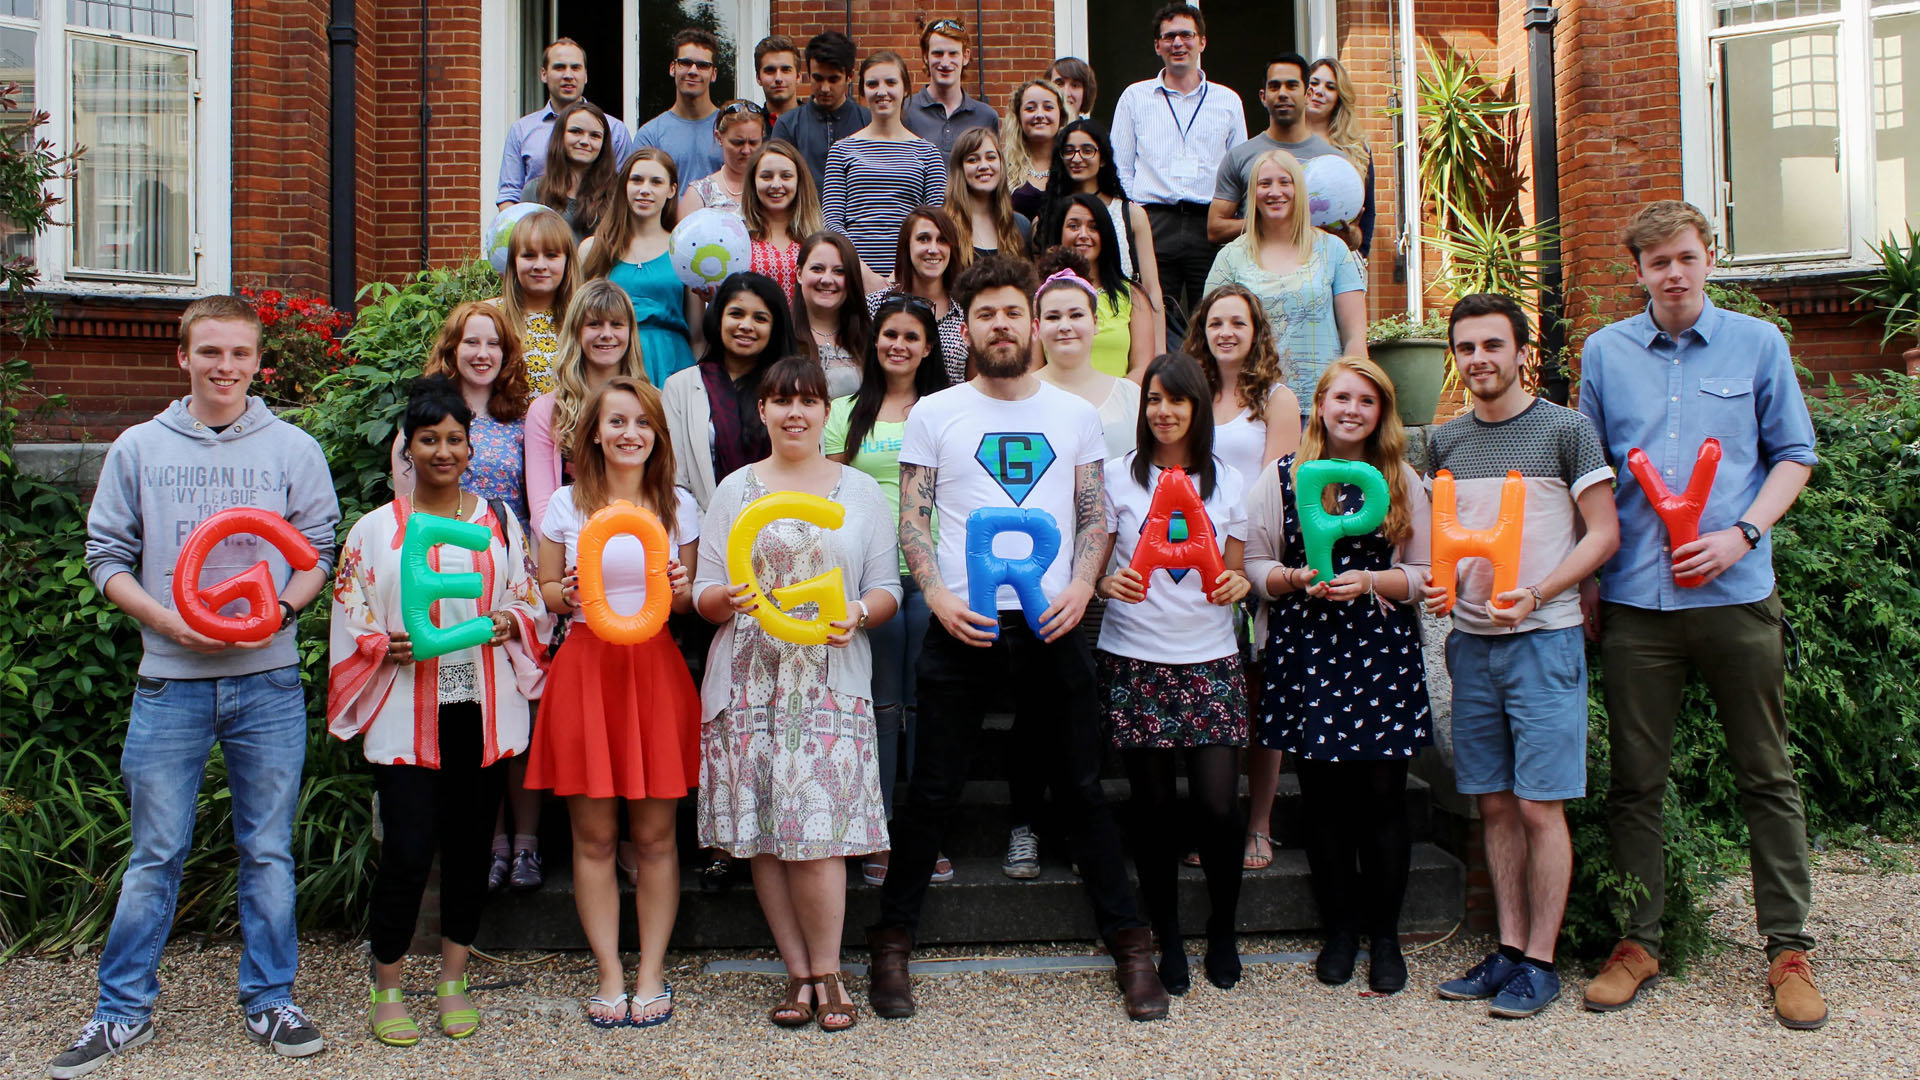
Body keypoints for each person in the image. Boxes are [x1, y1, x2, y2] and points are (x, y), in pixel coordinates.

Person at [867, 254, 1171, 1024]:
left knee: (1080, 785)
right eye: (986, 314)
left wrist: (1081, 584)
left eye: (1012, 312)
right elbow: (914, 516)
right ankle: (891, 943)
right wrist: (934, 595)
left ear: (1033, 324)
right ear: (965, 326)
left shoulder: (1074, 416)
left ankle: (1132, 945)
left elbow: (1097, 514)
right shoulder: (937, 412)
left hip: (1053, 619)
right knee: (932, 787)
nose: (1000, 325)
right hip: (962, 622)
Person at [59, 296, 339, 1077]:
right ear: (182, 357)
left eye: (240, 354)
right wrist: (165, 620)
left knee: (268, 850)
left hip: (267, 680)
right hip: (169, 681)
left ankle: (271, 998)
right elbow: (105, 556)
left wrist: (280, 608)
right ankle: (121, 1011)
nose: (225, 367)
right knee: (154, 853)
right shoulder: (140, 447)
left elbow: (318, 547)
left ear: (259, 362)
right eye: (210, 352)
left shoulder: (291, 448)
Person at [1575, 201, 1826, 1030]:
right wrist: (1585, 579)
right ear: (1638, 271)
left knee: (1767, 774)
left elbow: (1795, 454)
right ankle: (1639, 942)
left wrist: (1742, 532)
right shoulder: (1606, 353)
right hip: (1638, 603)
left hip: (1736, 595)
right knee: (1636, 784)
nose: (1673, 273)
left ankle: (1787, 948)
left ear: (1709, 257)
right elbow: (1592, 474)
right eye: (1656, 262)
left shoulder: (1759, 343)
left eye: (1685, 257)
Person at [328, 375, 547, 1047]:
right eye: (430, 439)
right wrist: (377, 644)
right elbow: (350, 608)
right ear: (408, 447)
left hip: (479, 704)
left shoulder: (499, 523)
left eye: (455, 438)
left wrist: (513, 621)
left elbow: (527, 595)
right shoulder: (374, 532)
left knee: (469, 848)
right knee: (408, 850)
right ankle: (388, 984)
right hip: (405, 706)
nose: (444, 451)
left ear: (470, 445)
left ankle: (453, 978)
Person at [1421, 293, 1619, 1019]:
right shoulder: (1444, 442)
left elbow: (1602, 534)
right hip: (1471, 645)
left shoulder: (1566, 431)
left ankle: (1541, 960)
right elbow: (1442, 541)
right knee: (1495, 804)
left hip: (1544, 641)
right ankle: (1507, 951)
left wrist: (1537, 593)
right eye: (1466, 347)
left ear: (1521, 352)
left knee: (1540, 806)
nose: (1479, 360)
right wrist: (1440, 592)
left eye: (1492, 346)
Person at [696, 356, 902, 1032]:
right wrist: (725, 597)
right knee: (763, 834)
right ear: (761, 410)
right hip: (752, 677)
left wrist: (860, 615)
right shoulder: (734, 490)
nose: (793, 412)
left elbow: (886, 587)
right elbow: (702, 594)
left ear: (824, 412)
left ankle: (831, 971)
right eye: (780, 400)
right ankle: (797, 973)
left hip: (829, 679)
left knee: (819, 835)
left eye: (807, 401)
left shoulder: (858, 491)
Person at [1243, 356, 1431, 996]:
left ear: (1381, 413)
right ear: (1319, 405)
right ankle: (1340, 930)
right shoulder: (1283, 477)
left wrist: (1374, 580)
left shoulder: (1402, 479)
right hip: (1309, 648)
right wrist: (1295, 578)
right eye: (1341, 397)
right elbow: (1256, 564)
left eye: (1367, 401)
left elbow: (1423, 575)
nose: (1352, 409)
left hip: (1380, 650)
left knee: (1382, 799)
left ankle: (1385, 936)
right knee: (1323, 802)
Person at [528, 376, 703, 1029]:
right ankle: (608, 972)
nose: (630, 433)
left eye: (642, 423)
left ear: (657, 434)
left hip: (654, 669)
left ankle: (652, 971)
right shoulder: (566, 506)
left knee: (656, 838)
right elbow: (543, 589)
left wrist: (684, 586)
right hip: (585, 668)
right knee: (594, 837)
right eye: (617, 422)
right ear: (593, 433)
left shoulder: (678, 506)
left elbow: (685, 606)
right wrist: (563, 591)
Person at [1096, 351, 1252, 995]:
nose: (1163, 412)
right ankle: (1169, 936)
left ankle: (1222, 928)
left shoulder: (1229, 482)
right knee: (1153, 810)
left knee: (1218, 806)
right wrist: (1109, 582)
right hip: (1136, 657)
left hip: (1211, 661)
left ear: (1197, 408)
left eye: (1176, 400)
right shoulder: (1114, 478)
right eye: (1153, 400)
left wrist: (1239, 583)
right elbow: (1096, 571)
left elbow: (1238, 572)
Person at [386, 304, 544, 893]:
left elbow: (534, 496)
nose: (482, 353)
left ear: (506, 354)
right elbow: (403, 514)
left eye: (494, 343)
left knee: (515, 701)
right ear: (452, 349)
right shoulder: (424, 421)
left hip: (505, 567)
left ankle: (525, 842)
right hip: (440, 580)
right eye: (470, 342)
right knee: (467, 709)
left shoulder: (520, 418)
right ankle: (490, 838)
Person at [825, 296, 953, 888]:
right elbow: (830, 500)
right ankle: (875, 830)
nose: (898, 345)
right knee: (881, 706)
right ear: (873, 342)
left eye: (911, 336)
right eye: (888, 334)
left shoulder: (949, 411)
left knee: (927, 705)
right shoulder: (844, 411)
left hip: (936, 577)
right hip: (868, 581)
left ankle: (926, 834)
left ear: (930, 346)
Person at [1181, 283, 1300, 872]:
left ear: (1256, 332)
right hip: (1189, 561)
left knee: (1257, 699)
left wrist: (1244, 562)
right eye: (1216, 322)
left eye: (1238, 323)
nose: (1226, 332)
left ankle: (1258, 824)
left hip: (1250, 559)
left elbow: (1276, 486)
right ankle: (1213, 821)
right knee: (1211, 701)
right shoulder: (1191, 392)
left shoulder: (1276, 400)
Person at [1110, 3, 1247, 343]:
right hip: (1154, 223)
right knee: (1156, 314)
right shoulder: (1134, 98)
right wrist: (1136, 217)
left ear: (1202, 42)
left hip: (1209, 224)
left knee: (1215, 313)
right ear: (1157, 45)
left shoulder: (1228, 101)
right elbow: (1119, 167)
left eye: (1186, 35)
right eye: (1168, 36)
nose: (1178, 43)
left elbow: (1240, 169)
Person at [1205, 148, 1367, 407]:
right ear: (1253, 193)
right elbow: (1208, 336)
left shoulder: (1333, 250)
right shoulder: (1230, 258)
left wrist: (1350, 399)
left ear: (1299, 189)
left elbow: (1354, 338)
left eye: (1285, 182)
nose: (1275, 192)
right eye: (1264, 183)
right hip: (1252, 407)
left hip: (1321, 408)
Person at [524, 279, 650, 540]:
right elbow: (541, 510)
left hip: (640, 543)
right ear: (576, 331)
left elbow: (662, 485)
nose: (607, 334)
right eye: (594, 324)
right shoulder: (546, 411)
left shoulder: (652, 403)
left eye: (616, 324)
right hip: (571, 551)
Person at [662, 271, 798, 509]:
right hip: (703, 532)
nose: (746, 326)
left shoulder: (794, 389)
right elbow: (676, 481)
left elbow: (807, 468)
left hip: (780, 527)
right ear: (718, 318)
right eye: (736, 314)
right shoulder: (680, 387)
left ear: (775, 327)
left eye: (760, 318)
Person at [821, 50, 946, 281]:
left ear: (905, 88)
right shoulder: (841, 150)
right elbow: (832, 220)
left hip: (910, 277)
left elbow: (934, 226)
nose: (882, 91)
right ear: (862, 91)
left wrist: (899, 273)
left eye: (891, 82)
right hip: (852, 277)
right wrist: (864, 275)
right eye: (872, 84)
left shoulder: (928, 153)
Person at [582, 148, 700, 387]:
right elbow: (578, 321)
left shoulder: (685, 250)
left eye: (656, 182)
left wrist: (690, 386)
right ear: (624, 185)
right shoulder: (593, 249)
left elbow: (698, 335)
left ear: (671, 190)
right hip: (611, 361)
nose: (645, 189)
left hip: (672, 363)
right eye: (637, 180)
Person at [1039, 118, 1162, 334]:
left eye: (1087, 150)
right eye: (1069, 151)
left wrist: (1159, 352)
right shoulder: (1049, 216)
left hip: (1124, 323)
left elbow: (1151, 287)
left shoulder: (1130, 214)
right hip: (1063, 328)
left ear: (1103, 157)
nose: (1077, 158)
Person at [1206, 54, 1341, 247]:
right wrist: (1270, 223)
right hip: (1255, 273)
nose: (1283, 93)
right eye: (1275, 86)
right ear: (1263, 96)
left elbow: (1352, 236)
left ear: (1308, 95)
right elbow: (1215, 229)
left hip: (1315, 273)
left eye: (1292, 85)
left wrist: (1351, 234)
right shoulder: (1239, 157)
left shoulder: (1333, 160)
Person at [499, 37, 633, 208]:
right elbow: (509, 195)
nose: (568, 75)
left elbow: (625, 194)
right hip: (538, 229)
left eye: (575, 68)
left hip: (597, 229)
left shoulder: (614, 130)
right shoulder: (522, 130)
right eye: (559, 67)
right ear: (544, 74)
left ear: (585, 75)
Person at [1034, 196, 1156, 379]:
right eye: (1073, 226)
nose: (1083, 234)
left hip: (1119, 403)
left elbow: (1142, 367)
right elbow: (1032, 370)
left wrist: (1110, 402)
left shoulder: (1133, 295)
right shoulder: (1041, 296)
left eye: (1093, 227)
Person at [1032, 255, 1141, 459]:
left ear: (1095, 322)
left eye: (1076, 315)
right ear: (1037, 327)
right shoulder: (1019, 395)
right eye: (1053, 317)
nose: (1065, 326)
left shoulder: (1130, 396)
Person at [866, 207, 969, 384]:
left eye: (942, 240)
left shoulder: (966, 312)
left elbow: (973, 385)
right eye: (923, 239)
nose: (933, 249)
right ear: (907, 245)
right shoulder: (875, 305)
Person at [494, 207, 578, 394]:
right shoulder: (492, 317)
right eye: (529, 255)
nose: (540, 265)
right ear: (513, 262)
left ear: (567, 261)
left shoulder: (584, 319)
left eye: (551, 255)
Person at [772, 31, 870, 187]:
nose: (825, 88)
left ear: (849, 76)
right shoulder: (788, 125)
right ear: (808, 75)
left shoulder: (868, 121)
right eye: (818, 78)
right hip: (806, 210)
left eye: (833, 79)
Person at [635, 29, 725, 194]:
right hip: (670, 221)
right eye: (685, 62)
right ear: (672, 68)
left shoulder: (730, 130)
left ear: (714, 74)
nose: (692, 71)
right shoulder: (650, 134)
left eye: (703, 65)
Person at [1305, 57, 1377, 260]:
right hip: (1294, 255)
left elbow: (1368, 210)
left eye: (1330, 87)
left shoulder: (1356, 148)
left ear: (1339, 97)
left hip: (1341, 257)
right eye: (1314, 83)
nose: (1319, 91)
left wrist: (1359, 245)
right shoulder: (1285, 141)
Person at [903, 18, 999, 159]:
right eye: (938, 53)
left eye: (953, 53)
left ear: (965, 57)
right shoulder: (905, 111)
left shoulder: (986, 117)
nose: (945, 63)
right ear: (925, 57)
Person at [794, 230, 874, 398]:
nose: (827, 279)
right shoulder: (781, 336)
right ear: (799, 274)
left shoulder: (871, 340)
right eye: (817, 269)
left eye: (839, 271)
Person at [741, 140, 825, 300]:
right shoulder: (739, 236)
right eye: (766, 177)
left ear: (799, 181)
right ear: (753, 182)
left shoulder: (817, 236)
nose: (776, 184)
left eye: (786, 176)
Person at [534, 101, 620, 241]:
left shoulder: (619, 192)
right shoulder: (535, 190)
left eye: (595, 136)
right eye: (575, 132)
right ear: (560, 136)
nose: (585, 141)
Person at [943, 127, 1031, 263]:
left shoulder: (1020, 225)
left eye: (991, 157)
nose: (983, 166)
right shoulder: (945, 225)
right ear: (960, 169)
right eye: (972, 160)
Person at [682, 100, 769, 217]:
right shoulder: (700, 194)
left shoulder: (773, 188)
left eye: (753, 143)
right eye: (737, 142)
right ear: (719, 138)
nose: (746, 150)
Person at [1003, 78, 1067, 219]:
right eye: (1030, 108)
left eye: (1048, 107)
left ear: (1061, 116)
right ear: (1018, 117)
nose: (1039, 115)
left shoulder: (1073, 164)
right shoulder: (1003, 168)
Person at [755, 34, 801, 121]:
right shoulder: (752, 129)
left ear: (798, 76)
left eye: (786, 70)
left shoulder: (818, 124)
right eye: (770, 70)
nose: (778, 78)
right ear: (758, 78)